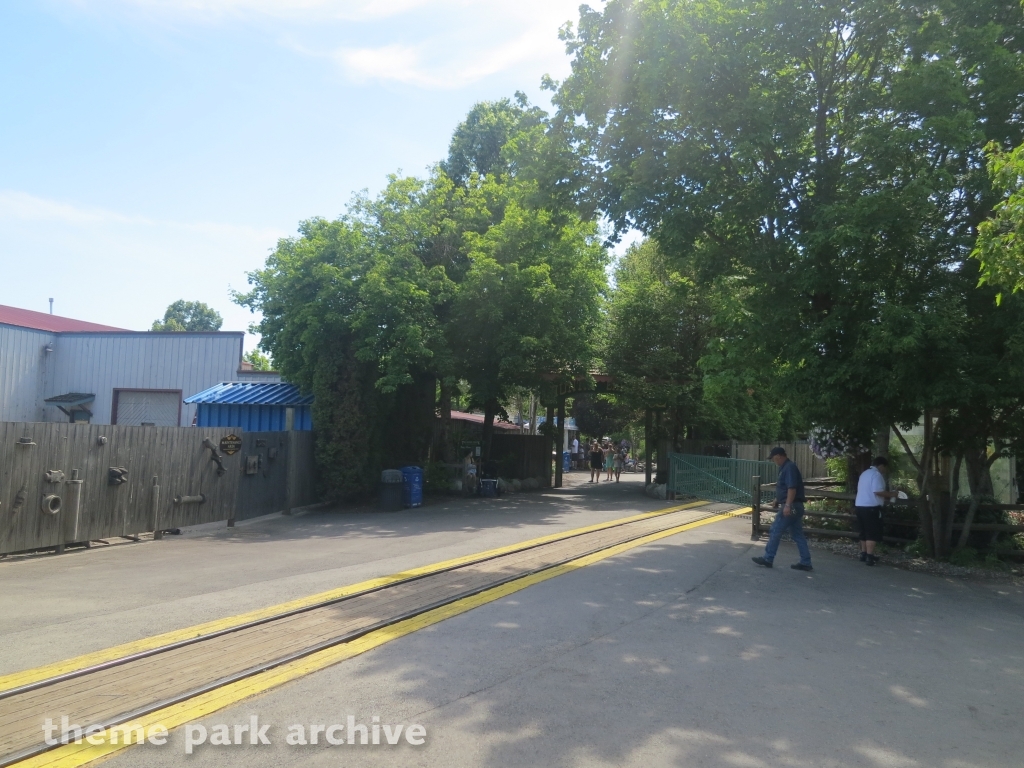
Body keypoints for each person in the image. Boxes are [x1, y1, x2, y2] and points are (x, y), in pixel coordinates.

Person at [753, 447, 813, 571]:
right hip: (796, 506)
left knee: (775, 530)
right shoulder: (786, 467)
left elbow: (792, 488)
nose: (773, 461)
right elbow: (786, 488)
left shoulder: (789, 468)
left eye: (774, 458)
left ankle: (768, 558)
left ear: (779, 456)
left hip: (791, 506)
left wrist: (787, 505)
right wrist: (778, 499)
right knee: (797, 534)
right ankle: (806, 562)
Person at [855, 456, 900, 566]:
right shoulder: (876, 475)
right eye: (885, 468)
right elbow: (877, 491)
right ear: (881, 466)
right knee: (872, 532)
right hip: (871, 507)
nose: (884, 470)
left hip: (859, 505)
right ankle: (870, 556)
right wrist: (892, 494)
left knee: (863, 531)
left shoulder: (864, 473)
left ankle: (863, 553)